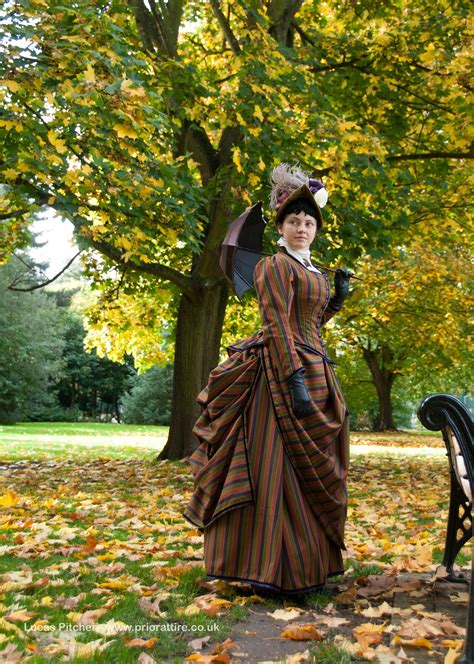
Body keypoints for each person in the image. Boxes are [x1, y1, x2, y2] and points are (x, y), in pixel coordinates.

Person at [183, 163, 351, 596]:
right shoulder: (275, 266)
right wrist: (292, 377)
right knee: (273, 467)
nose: (302, 228)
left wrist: (336, 301)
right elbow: (277, 324)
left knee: (307, 471)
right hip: (277, 375)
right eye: (294, 221)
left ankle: (305, 565)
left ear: (317, 229)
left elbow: (309, 322)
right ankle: (268, 567)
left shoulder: (312, 269)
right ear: (281, 224)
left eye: (309, 222)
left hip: (313, 368)